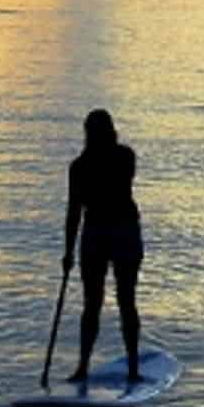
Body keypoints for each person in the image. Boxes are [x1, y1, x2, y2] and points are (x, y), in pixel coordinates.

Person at [63, 109, 144, 382]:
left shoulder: (124, 157)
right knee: (92, 303)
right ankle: (83, 365)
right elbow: (74, 211)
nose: (92, 136)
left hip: (122, 231)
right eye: (90, 131)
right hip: (96, 233)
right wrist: (68, 252)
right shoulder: (79, 167)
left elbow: (117, 186)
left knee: (126, 300)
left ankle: (133, 367)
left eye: (96, 131)